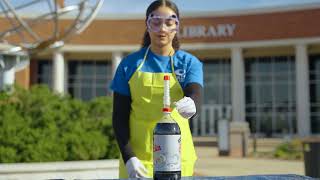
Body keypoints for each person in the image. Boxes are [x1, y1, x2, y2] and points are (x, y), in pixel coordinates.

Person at [110, 0, 203, 178]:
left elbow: (195, 92)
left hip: (178, 160)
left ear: (177, 26)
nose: (162, 28)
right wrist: (129, 158)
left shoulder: (189, 63)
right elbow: (119, 117)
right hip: (138, 162)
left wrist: (192, 103)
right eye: (156, 21)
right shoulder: (129, 65)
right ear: (147, 24)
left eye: (169, 22)